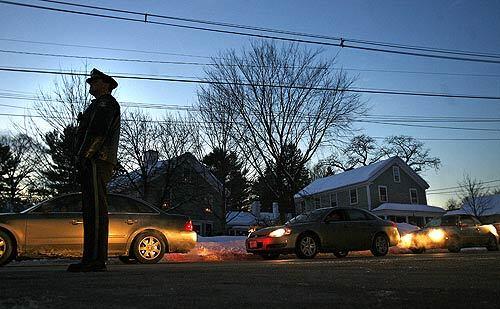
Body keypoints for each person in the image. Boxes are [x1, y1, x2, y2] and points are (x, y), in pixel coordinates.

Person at [67, 68, 120, 272]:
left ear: (106, 84)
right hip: (93, 160)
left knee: (96, 210)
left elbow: (98, 132)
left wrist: (84, 155)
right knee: (91, 210)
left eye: (95, 81)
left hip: (97, 160)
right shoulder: (97, 104)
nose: (91, 85)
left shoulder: (106, 103)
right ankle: (91, 257)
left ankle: (96, 260)